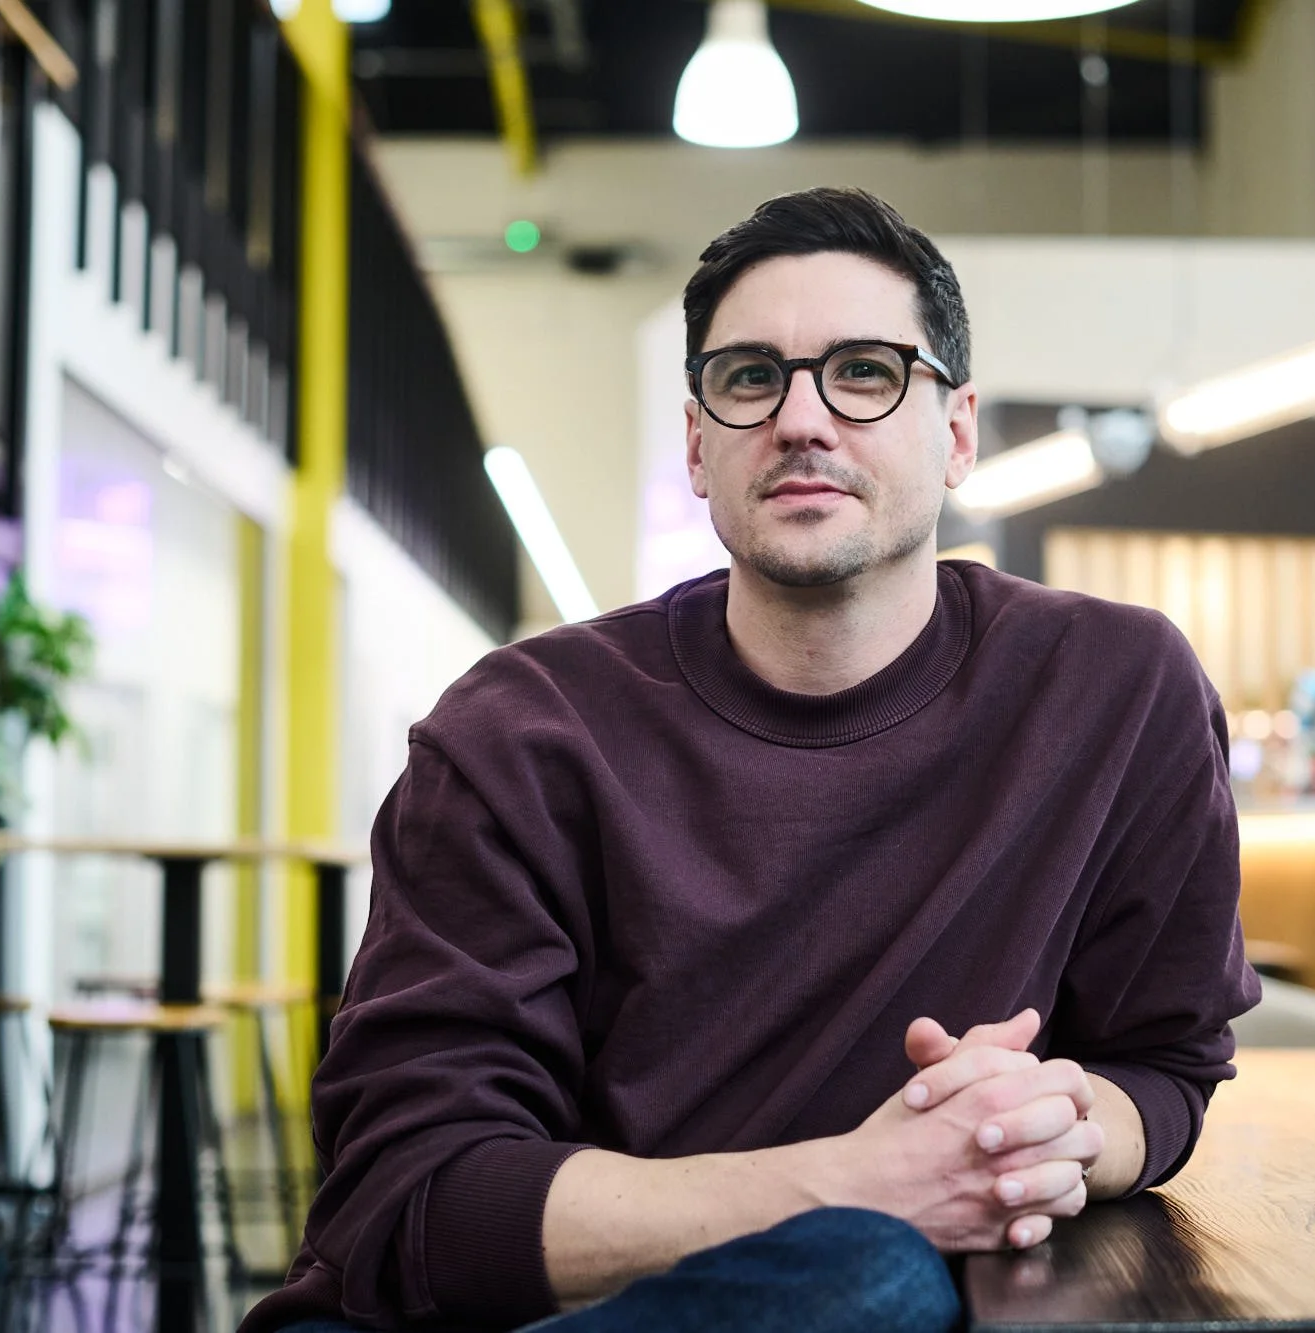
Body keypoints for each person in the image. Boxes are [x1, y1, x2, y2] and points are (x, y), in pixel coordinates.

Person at [244, 188, 1259, 1333]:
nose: (802, 419)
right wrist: (872, 1189)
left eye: (867, 372)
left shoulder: (1112, 691)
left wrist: (1048, 1125)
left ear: (959, 430)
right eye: (747, 379)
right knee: (872, 1275)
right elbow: (415, 1201)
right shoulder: (519, 732)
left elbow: (1163, 1066)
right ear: (696, 444)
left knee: (879, 1283)